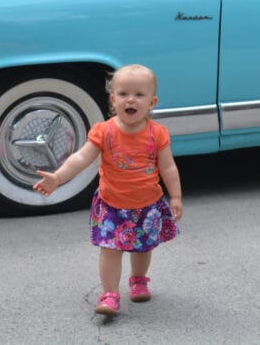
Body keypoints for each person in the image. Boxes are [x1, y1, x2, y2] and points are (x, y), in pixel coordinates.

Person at [33, 64, 183, 316]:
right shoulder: (104, 131)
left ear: (152, 102)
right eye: (123, 94)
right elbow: (81, 158)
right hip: (112, 205)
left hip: (147, 205)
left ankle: (138, 280)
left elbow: (168, 168)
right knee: (110, 250)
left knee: (143, 248)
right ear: (113, 100)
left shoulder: (157, 134)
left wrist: (176, 196)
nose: (130, 100)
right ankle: (110, 294)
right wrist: (57, 178)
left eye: (139, 94)